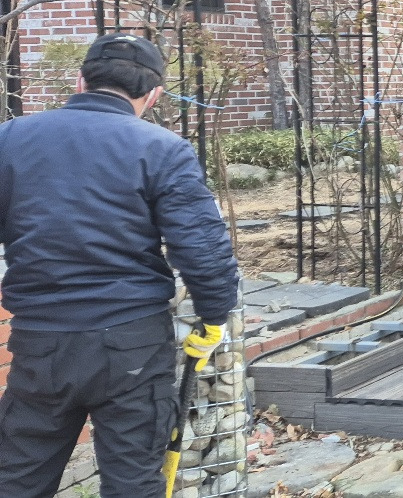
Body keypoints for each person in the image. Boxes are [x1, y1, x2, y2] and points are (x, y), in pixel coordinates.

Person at [0, 33, 238, 498]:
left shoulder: (10, 140)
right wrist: (214, 315)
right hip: (131, 344)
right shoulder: (162, 148)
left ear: (81, 80)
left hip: (41, 341)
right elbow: (201, 248)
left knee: (18, 478)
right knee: (133, 482)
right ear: (154, 95)